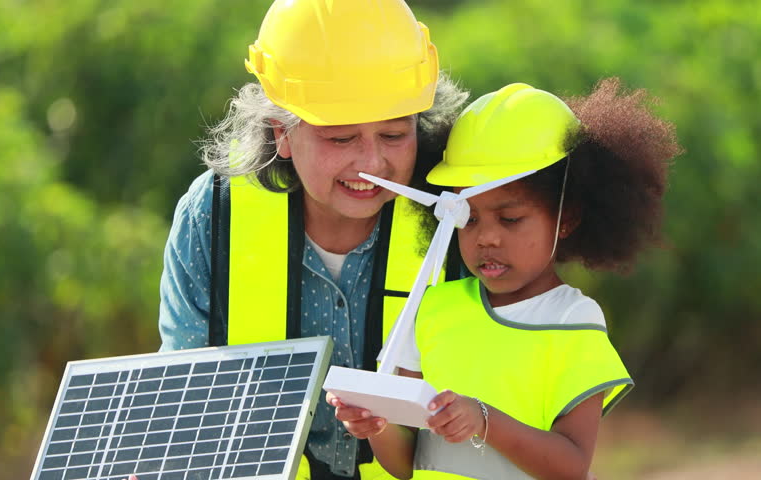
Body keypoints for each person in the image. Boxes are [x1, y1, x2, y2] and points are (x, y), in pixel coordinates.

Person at [156, 1, 469, 479]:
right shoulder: (212, 216)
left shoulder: (459, 213)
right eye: (342, 139)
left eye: (393, 134)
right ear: (282, 133)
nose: (373, 164)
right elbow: (184, 395)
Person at [329, 79, 682, 480]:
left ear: (566, 218)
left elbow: (571, 466)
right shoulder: (432, 308)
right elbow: (406, 465)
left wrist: (482, 420)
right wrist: (377, 425)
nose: (487, 238)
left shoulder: (573, 320)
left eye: (510, 219)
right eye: (469, 218)